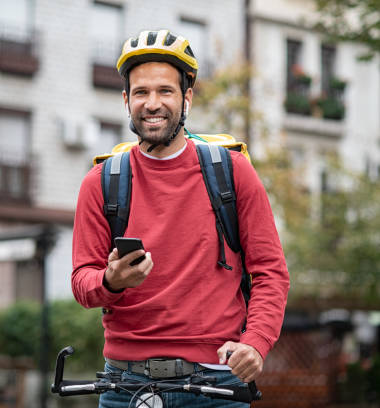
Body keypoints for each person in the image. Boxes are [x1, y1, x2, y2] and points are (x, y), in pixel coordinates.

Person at [71, 29, 290, 407]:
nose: (152, 103)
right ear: (126, 100)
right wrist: (111, 280)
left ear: (186, 97)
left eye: (165, 91)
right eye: (141, 92)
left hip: (216, 382)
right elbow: (81, 280)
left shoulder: (232, 172)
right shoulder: (101, 182)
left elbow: (271, 271)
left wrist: (256, 343)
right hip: (127, 384)